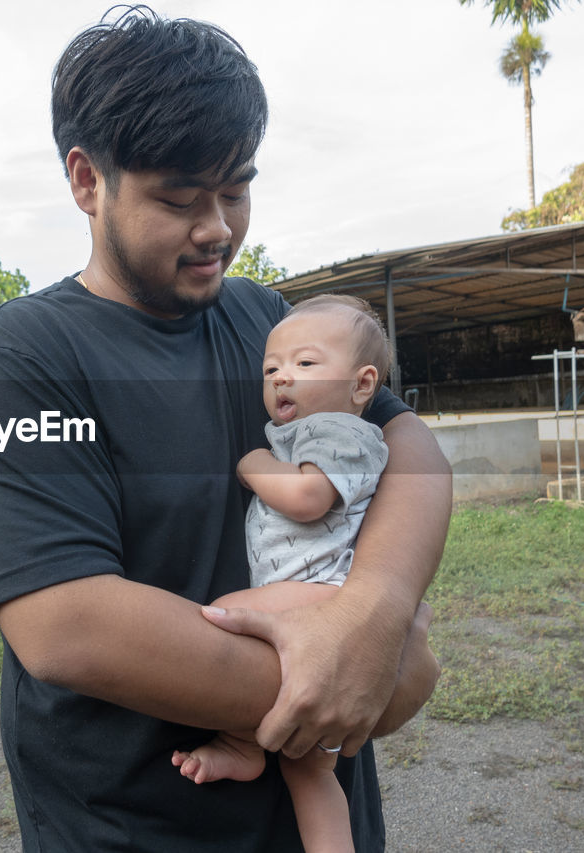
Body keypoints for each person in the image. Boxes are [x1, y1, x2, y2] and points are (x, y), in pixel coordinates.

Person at [0, 7, 452, 851]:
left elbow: (411, 447)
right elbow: (66, 622)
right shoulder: (27, 356)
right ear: (85, 180)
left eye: (236, 189)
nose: (217, 225)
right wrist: (361, 672)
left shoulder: (267, 321)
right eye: (179, 197)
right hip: (136, 825)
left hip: (311, 818)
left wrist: (376, 609)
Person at [170, 295, 441, 853]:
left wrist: (253, 466)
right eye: (271, 369)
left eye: (305, 364)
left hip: (322, 594)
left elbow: (308, 496)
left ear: (363, 385)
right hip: (310, 591)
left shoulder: (342, 433)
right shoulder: (313, 433)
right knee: (309, 772)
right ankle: (260, 760)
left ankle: (241, 741)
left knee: (222, 613)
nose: (282, 378)